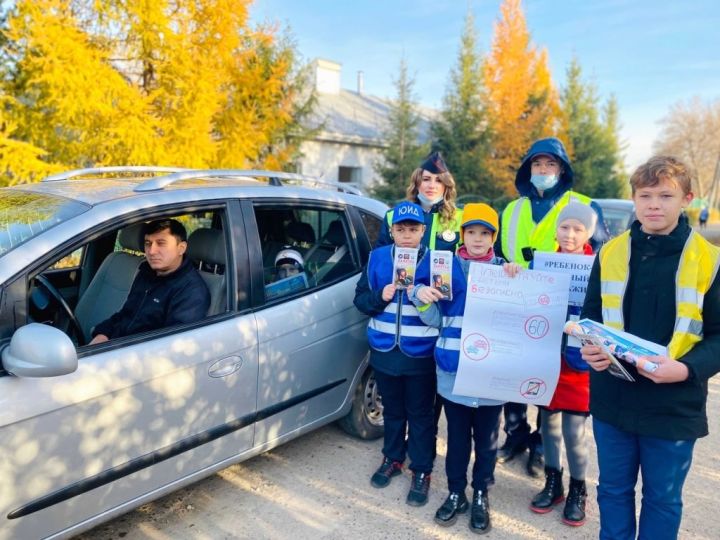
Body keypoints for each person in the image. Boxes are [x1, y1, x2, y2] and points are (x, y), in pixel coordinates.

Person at [580, 156, 720, 539]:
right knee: (612, 491)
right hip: (614, 399)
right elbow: (590, 317)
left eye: (665, 195)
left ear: (687, 199)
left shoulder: (710, 260)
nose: (654, 204)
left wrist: (687, 369)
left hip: (673, 403)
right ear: (634, 199)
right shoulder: (609, 253)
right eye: (645, 195)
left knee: (662, 499)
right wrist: (590, 349)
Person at [495, 137, 608, 477]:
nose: (543, 171)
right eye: (537, 165)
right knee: (514, 378)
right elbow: (501, 253)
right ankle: (515, 434)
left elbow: (601, 260)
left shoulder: (584, 206)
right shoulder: (512, 209)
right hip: (519, 305)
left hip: (563, 313)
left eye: (550, 165)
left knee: (552, 378)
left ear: (563, 169)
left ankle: (544, 444)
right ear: (528, 169)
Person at [410, 203, 521, 534]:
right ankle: (457, 492)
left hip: (491, 376)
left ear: (493, 237)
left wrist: (518, 278)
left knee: (486, 443)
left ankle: (482, 494)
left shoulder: (506, 270)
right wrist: (421, 294)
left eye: (484, 233)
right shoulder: (445, 266)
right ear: (461, 235)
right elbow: (434, 317)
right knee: (457, 440)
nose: (476, 239)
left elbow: (523, 317)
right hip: (453, 371)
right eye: (470, 232)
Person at [353, 201, 439, 507]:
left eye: (413, 229)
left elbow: (449, 309)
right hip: (384, 351)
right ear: (391, 231)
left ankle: (422, 470)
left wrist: (427, 298)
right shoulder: (377, 259)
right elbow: (360, 301)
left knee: (420, 415)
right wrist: (381, 295)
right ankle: (392, 458)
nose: (406, 235)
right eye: (400, 229)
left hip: (420, 354)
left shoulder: (435, 262)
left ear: (423, 232)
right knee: (393, 411)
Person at [529, 203, 597, 527]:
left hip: (578, 363)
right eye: (565, 227)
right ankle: (553, 482)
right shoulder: (542, 263)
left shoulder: (596, 267)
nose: (570, 235)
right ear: (555, 230)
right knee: (548, 426)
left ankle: (578, 490)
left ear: (589, 233)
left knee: (574, 431)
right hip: (546, 359)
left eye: (578, 229)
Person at [90, 219, 210, 344]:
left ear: (181, 248)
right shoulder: (146, 273)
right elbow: (126, 314)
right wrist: (102, 334)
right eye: (148, 243)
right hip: (114, 346)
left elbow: (171, 346)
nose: (151, 251)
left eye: (161, 243)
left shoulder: (192, 291)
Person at [375, 151, 463, 252]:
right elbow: (381, 257)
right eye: (426, 179)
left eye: (439, 181)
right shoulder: (393, 215)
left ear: (446, 185)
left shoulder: (460, 217)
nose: (432, 186)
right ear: (417, 183)